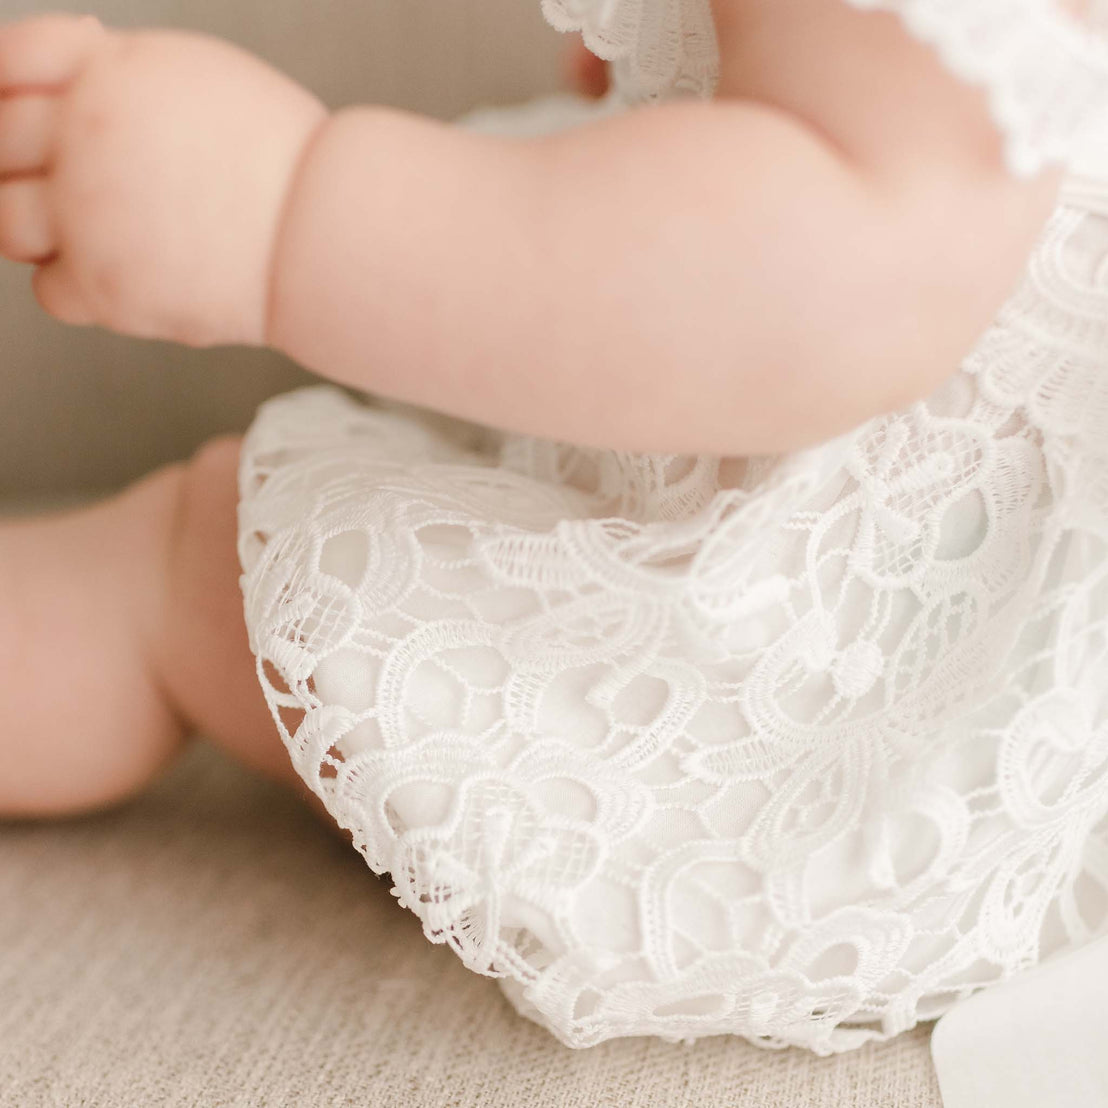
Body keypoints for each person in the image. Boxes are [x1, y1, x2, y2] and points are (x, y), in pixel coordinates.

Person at [2, 0, 1107, 1053]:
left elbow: (846, 277)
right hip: (785, 450)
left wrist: (284, 212)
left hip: (869, 678)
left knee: (190, 576)